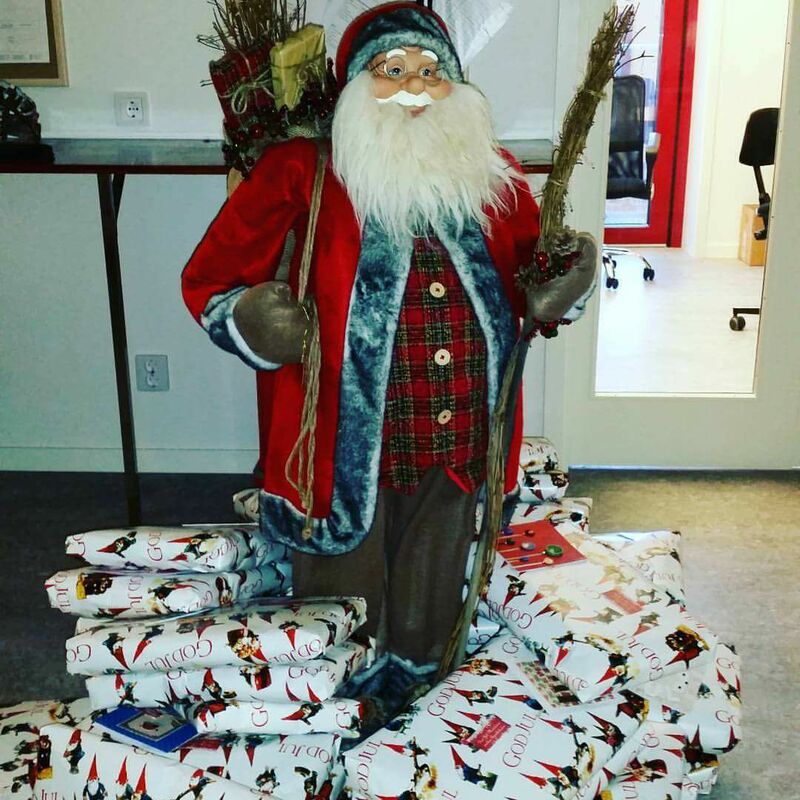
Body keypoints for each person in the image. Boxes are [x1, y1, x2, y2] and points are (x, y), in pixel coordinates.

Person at [182, 2, 596, 680]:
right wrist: (250, 318)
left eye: (432, 72)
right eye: (392, 69)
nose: (413, 86)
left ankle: (418, 680)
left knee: (437, 568)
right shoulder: (302, 170)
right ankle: (337, 684)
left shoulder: (490, 173)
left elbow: (530, 274)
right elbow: (213, 275)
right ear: (353, 85)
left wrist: (562, 281)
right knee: (343, 579)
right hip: (341, 433)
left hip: (461, 426)